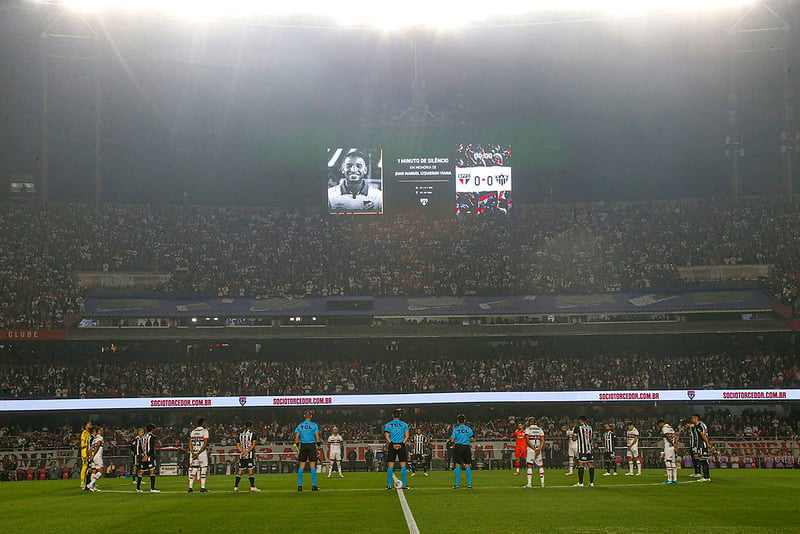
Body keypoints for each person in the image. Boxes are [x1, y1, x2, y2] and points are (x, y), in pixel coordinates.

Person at [294, 410, 321, 492]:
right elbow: (317, 437)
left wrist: (297, 447)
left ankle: (299, 486)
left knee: (301, 465)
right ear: (311, 416)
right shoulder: (314, 425)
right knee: (313, 465)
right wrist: (319, 448)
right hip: (311, 445)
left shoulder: (300, 426)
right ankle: (313, 485)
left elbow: (296, 438)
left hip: (303, 446)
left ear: (304, 416)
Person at [384, 408, 410, 490]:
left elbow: (387, 436)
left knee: (390, 465)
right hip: (401, 445)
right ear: (400, 416)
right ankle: (404, 484)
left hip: (392, 445)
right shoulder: (404, 424)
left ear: (392, 416)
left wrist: (392, 443)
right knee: (403, 465)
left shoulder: (388, 424)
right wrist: (402, 443)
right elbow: (407, 435)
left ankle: (389, 485)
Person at [234, 421, 261, 492]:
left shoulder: (240, 435)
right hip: (249, 455)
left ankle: (236, 487)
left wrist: (242, 451)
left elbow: (237, 444)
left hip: (242, 455)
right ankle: (252, 487)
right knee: (251, 470)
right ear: (251, 427)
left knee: (240, 470)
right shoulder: (253, 434)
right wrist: (247, 452)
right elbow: (253, 445)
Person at [450, 413, 475, 489]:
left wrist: (453, 439)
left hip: (458, 447)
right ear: (465, 420)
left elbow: (452, 439)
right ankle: (469, 484)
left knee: (457, 464)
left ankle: (457, 484)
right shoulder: (468, 428)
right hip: (466, 447)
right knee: (467, 464)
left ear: (458, 421)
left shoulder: (456, 429)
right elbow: (472, 439)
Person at [188, 417, 210, 493]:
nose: (206, 424)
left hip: (194, 452)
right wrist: (198, 453)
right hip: (201, 453)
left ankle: (190, 487)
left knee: (194, 469)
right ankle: (202, 487)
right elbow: (205, 443)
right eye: (205, 422)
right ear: (203, 423)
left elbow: (190, 443)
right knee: (204, 468)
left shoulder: (193, 432)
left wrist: (193, 452)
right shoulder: (205, 431)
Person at [136, 423, 160, 493]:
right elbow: (150, 447)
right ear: (152, 429)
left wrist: (143, 454)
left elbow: (140, 446)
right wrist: (147, 455)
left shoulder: (143, 437)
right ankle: (152, 488)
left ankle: (138, 488)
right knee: (152, 470)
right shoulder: (151, 436)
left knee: (141, 471)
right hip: (149, 456)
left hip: (144, 457)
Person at [572, 416, 595, 487]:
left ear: (580, 420)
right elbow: (591, 438)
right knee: (590, 464)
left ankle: (581, 483)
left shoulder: (577, 428)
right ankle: (591, 483)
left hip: (582, 449)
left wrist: (573, 436)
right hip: (589, 448)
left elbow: (574, 439)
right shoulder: (590, 428)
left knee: (581, 464)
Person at [523, 416, 545, 488]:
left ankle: (529, 484)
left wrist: (534, 449)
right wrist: (539, 449)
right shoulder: (540, 429)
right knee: (540, 466)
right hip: (538, 449)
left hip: (531, 449)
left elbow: (527, 440)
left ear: (530, 422)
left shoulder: (528, 429)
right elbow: (542, 440)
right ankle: (542, 483)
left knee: (529, 466)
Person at [691, 414, 713, 482]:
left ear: (696, 418)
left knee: (703, 460)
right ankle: (706, 476)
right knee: (702, 460)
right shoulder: (703, 424)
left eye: (692, 418)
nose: (692, 420)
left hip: (702, 445)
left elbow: (702, 435)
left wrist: (707, 443)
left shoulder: (699, 425)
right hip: (702, 445)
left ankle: (706, 477)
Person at [657, 419, 678, 484]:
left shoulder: (664, 428)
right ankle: (675, 479)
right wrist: (675, 445)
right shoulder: (671, 428)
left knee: (667, 461)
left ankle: (669, 480)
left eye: (659, 425)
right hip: (672, 447)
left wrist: (671, 443)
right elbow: (676, 436)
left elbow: (667, 436)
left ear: (661, 423)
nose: (659, 426)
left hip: (668, 447)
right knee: (673, 462)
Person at [86, 426, 105, 492]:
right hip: (97, 457)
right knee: (100, 471)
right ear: (98, 431)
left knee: (94, 471)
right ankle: (90, 484)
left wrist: (90, 455)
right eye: (101, 430)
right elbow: (98, 445)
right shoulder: (100, 437)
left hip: (93, 457)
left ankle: (93, 487)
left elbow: (90, 448)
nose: (102, 431)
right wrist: (94, 455)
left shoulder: (94, 439)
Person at [79, 421, 92, 489]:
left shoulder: (89, 433)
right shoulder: (84, 433)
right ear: (86, 426)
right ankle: (82, 482)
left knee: (89, 466)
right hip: (85, 451)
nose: (91, 425)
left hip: (88, 451)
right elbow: (83, 444)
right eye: (89, 424)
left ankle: (89, 482)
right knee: (85, 466)